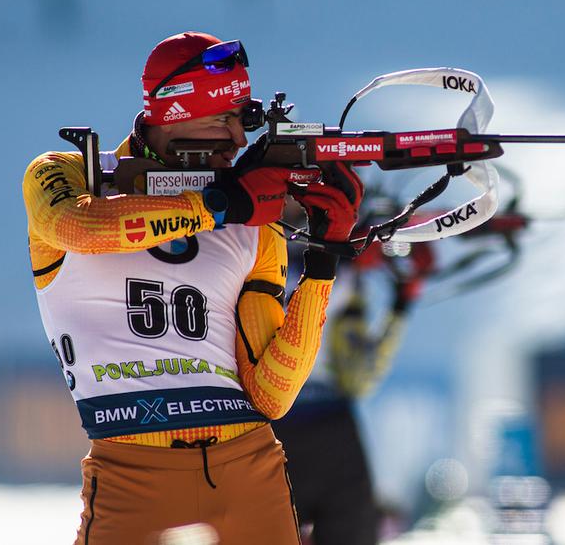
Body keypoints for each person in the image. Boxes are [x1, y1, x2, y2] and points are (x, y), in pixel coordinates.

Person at [22, 31, 362, 544]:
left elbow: (271, 395)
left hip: (249, 466)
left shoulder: (255, 225)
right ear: (175, 114)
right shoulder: (69, 174)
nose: (238, 138)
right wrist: (217, 206)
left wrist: (323, 261)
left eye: (241, 119)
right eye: (223, 118)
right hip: (130, 471)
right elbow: (80, 228)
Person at [271, 235, 433, 545]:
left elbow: (361, 374)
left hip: (291, 418)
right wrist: (398, 293)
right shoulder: (343, 270)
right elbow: (362, 373)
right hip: (301, 419)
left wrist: (401, 298)